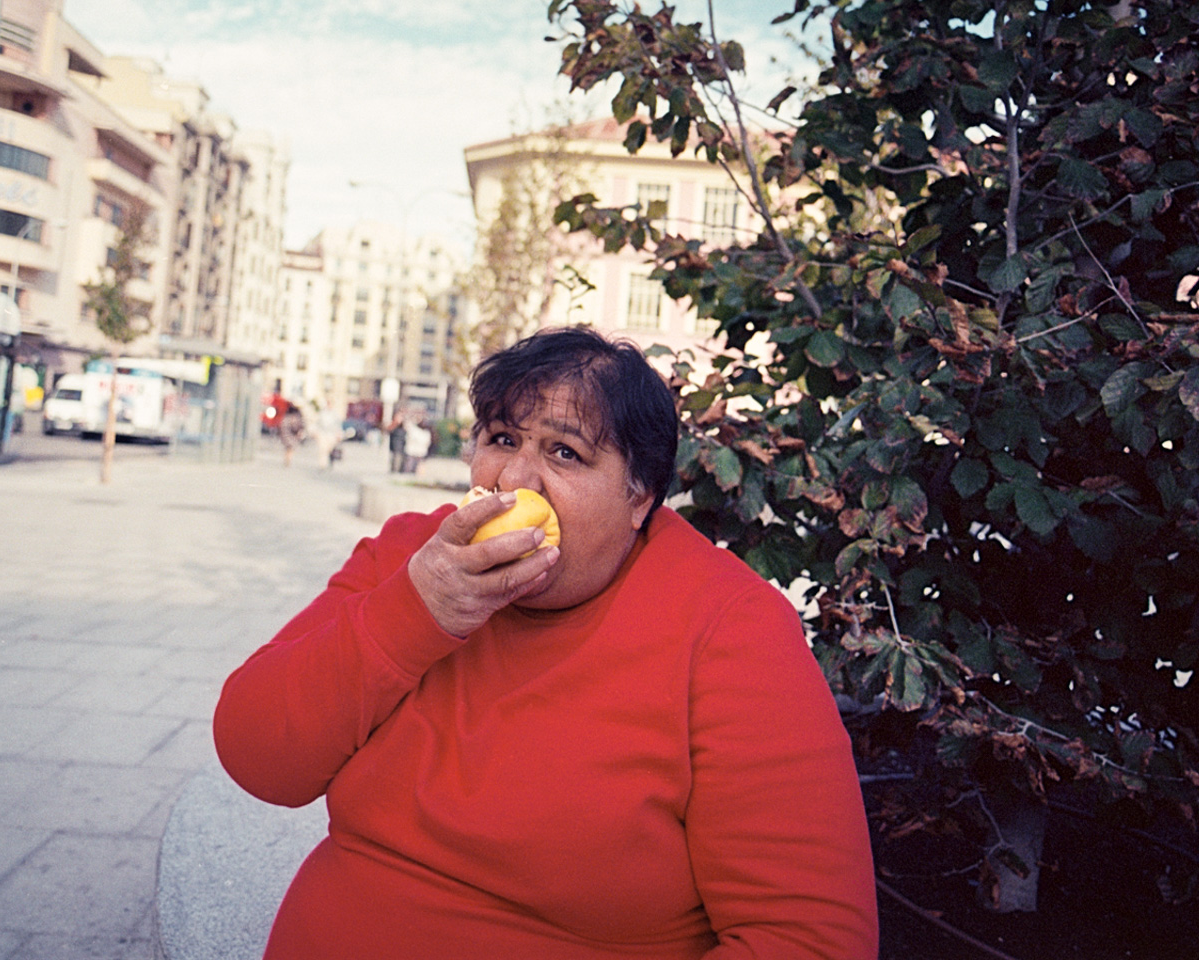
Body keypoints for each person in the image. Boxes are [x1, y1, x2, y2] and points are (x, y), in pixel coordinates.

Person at [215, 326, 878, 959]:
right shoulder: (411, 555)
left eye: (565, 453)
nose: (514, 480)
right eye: (502, 439)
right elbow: (258, 758)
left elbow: (809, 935)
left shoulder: (729, 626)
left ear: (640, 497)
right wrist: (414, 613)